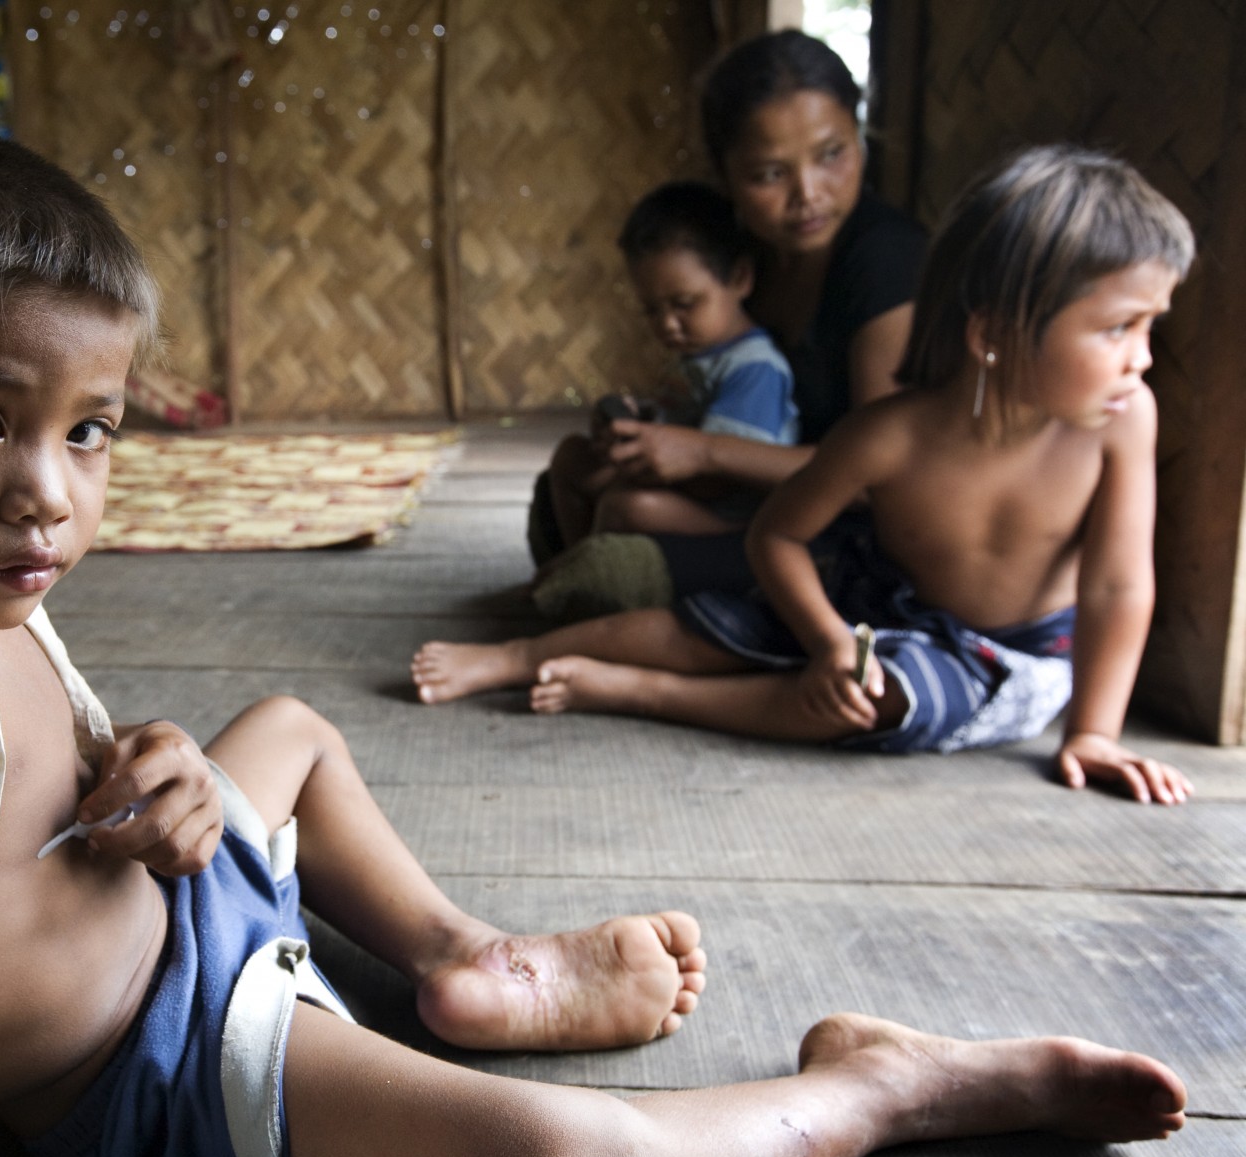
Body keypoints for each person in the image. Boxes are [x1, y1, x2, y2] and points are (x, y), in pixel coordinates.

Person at [0, 126, 1186, 1157]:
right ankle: (890, 1082)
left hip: (176, 919)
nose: (49, 498)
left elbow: (3, 781)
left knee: (284, 729)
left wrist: (144, 765)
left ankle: (458, 955)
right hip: (157, 1057)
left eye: (89, 432)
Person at [416, 146, 1195, 807]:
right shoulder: (890, 434)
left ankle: (638, 692)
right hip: (870, 601)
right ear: (994, 332)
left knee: (876, 695)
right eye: (1120, 327)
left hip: (1005, 657)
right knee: (716, 627)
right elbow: (777, 535)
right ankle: (520, 658)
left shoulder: (1126, 420)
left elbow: (1118, 588)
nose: (1143, 355)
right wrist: (826, 638)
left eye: (1149, 324)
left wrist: (1094, 732)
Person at [531, 30, 929, 609]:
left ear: (859, 135)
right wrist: (647, 428)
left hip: (841, 534)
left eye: (831, 154)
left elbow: (880, 483)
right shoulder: (746, 255)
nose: (808, 194)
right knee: (563, 490)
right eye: (769, 174)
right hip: (745, 502)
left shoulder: (884, 262)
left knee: (616, 567)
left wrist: (703, 452)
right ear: (724, 175)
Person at [534, 182, 799, 608]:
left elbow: (721, 478)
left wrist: (639, 469)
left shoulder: (753, 368)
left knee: (627, 507)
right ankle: (574, 564)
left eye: (684, 304)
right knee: (572, 457)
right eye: (652, 310)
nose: (668, 325)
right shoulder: (694, 356)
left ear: (740, 278)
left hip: (735, 516)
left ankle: (583, 578)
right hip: (686, 489)